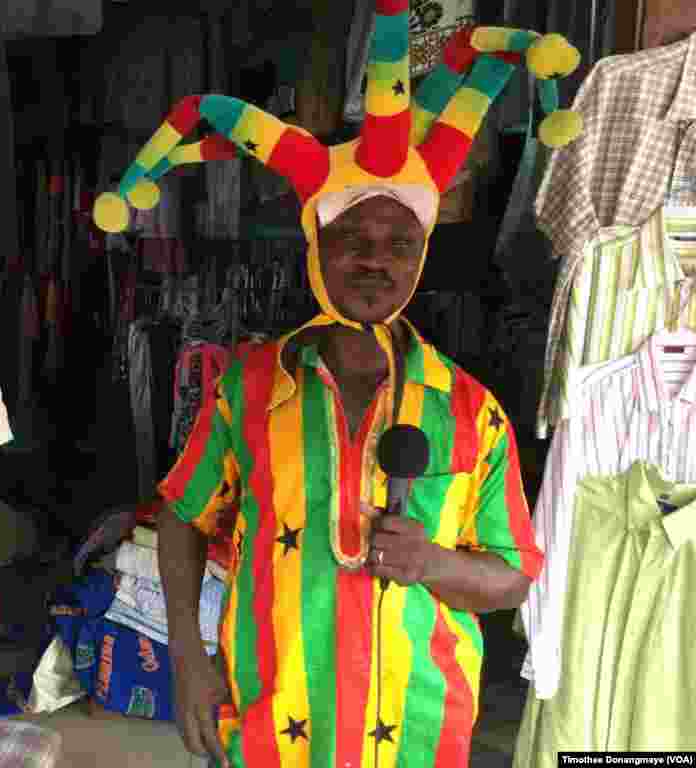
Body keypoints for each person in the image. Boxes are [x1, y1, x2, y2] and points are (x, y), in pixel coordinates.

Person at [90, 4, 584, 766]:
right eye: (353, 237)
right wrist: (188, 661)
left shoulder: (469, 409)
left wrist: (435, 564)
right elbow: (183, 519)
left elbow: (513, 575)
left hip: (420, 730)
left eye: (399, 242)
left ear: (421, 254)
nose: (375, 260)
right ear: (317, 242)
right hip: (272, 723)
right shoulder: (248, 387)